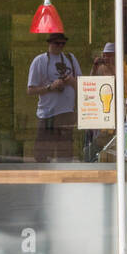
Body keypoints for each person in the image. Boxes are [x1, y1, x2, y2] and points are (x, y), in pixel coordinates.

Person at [27, 32, 81, 162]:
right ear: (50, 43)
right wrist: (51, 87)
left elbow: (82, 86)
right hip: (47, 114)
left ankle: (65, 179)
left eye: (63, 44)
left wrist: (70, 81)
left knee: (65, 155)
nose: (60, 46)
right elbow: (30, 90)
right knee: (42, 156)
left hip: (66, 113)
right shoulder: (40, 60)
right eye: (57, 43)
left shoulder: (70, 58)